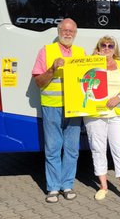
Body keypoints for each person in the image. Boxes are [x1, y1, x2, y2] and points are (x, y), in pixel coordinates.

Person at [32, 18, 85, 203]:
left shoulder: (80, 53)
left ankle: (67, 185)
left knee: (71, 149)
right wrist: (52, 69)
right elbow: (38, 82)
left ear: (75, 33)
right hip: (52, 106)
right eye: (65, 30)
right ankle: (53, 188)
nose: (68, 33)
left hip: (75, 108)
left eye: (71, 31)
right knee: (53, 148)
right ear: (58, 30)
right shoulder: (46, 51)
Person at [83, 36, 120, 205]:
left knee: (119, 151)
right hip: (94, 116)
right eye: (103, 45)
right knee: (98, 149)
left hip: (116, 115)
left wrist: (119, 98)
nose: (107, 48)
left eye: (110, 45)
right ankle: (103, 187)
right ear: (98, 47)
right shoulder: (88, 63)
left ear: (115, 49)